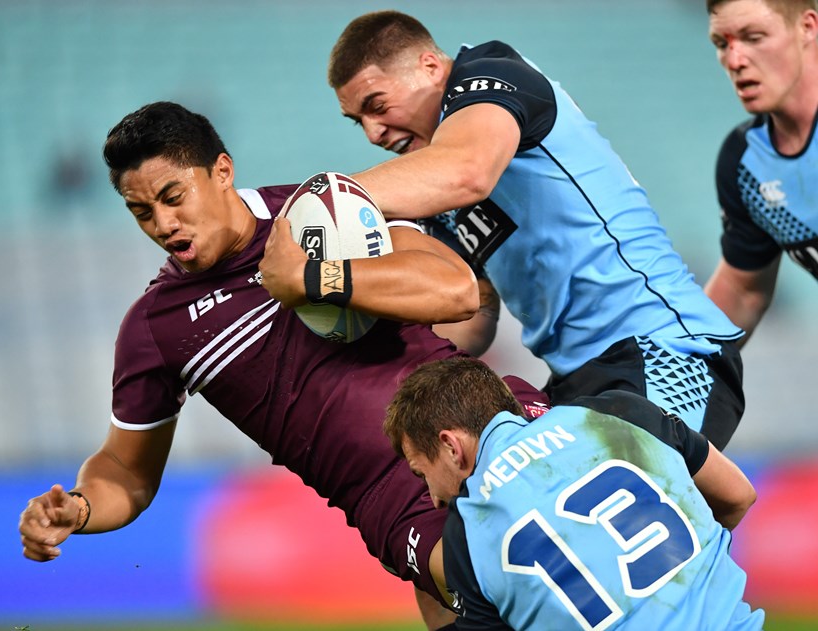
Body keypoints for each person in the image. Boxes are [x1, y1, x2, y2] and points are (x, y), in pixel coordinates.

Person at [17, 101, 554, 629]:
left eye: (172, 197)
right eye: (142, 212)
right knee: (497, 586)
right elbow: (127, 471)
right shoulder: (156, 328)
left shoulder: (326, 213)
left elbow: (456, 295)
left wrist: (312, 281)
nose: (163, 223)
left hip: (487, 420)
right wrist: (80, 509)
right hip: (391, 495)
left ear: (222, 171)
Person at [323, 10, 746, 450]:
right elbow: (474, 315)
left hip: (662, 349)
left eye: (377, 105)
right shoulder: (437, 192)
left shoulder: (489, 74)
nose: (373, 133)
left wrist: (320, 199)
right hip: (576, 380)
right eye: (359, 120)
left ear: (430, 67)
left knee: (631, 499)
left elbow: (468, 171)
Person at [383, 356, 765, 630]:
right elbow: (737, 496)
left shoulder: (468, 525)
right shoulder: (620, 411)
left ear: (451, 446)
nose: (432, 497)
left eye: (423, 474)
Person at [705, 0, 818, 346]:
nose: (735, 61)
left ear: (808, 27)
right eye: (722, 45)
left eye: (753, 38)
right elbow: (743, 291)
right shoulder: (746, 163)